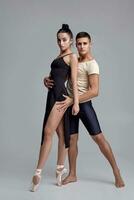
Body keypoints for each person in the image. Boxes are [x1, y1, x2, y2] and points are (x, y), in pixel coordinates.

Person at [45, 32, 125, 188]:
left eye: (85, 43)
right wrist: (46, 79)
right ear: (75, 44)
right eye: (79, 44)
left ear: (90, 44)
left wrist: (73, 100)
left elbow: (94, 91)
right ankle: (72, 174)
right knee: (72, 140)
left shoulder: (92, 64)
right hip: (68, 104)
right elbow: (60, 75)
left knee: (99, 139)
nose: (81, 46)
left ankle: (116, 172)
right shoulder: (73, 59)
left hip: (83, 105)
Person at [30, 24, 79, 192]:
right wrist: (46, 78)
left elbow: (73, 80)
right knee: (59, 133)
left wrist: (76, 102)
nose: (61, 43)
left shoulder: (72, 56)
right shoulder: (61, 54)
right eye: (58, 40)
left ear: (71, 40)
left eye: (64, 40)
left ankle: (38, 173)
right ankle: (59, 169)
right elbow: (56, 75)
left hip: (60, 97)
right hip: (52, 94)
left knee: (48, 132)